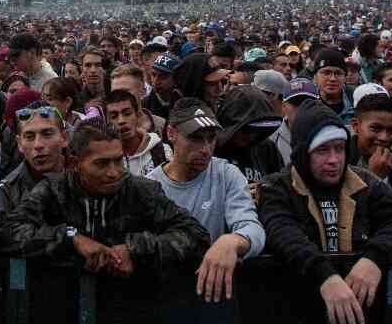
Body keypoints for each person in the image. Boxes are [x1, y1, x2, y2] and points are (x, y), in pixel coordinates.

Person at [257, 101, 392, 324]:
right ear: (303, 152)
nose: (334, 159)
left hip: (362, 318)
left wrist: (373, 259)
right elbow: (281, 230)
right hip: (295, 317)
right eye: (322, 150)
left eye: (339, 148)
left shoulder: (365, 183)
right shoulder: (277, 187)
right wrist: (324, 275)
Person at [0, 120, 209, 276]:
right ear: (74, 163)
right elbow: (9, 230)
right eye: (101, 164)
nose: (114, 172)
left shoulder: (141, 191)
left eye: (118, 161)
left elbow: (195, 235)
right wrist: (70, 239)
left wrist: (135, 250)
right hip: (65, 309)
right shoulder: (53, 190)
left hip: (135, 309)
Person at [147, 100, 264, 302]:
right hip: (164, 295)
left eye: (211, 139)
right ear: (171, 134)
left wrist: (233, 241)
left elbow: (252, 227)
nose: (206, 148)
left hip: (214, 296)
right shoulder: (150, 186)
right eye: (196, 138)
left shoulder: (226, 174)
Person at [0, 102, 68, 215]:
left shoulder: (85, 177)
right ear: (19, 144)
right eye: (29, 137)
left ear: (64, 138)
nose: (38, 145)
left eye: (47, 134)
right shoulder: (7, 192)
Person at [348, 91, 392, 199]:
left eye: (391, 130)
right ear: (356, 126)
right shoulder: (336, 160)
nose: (384, 137)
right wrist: (374, 178)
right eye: (375, 129)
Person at [215, 84, 284, 187]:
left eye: (257, 130)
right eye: (246, 130)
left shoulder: (266, 148)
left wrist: (264, 190)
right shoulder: (212, 148)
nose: (251, 136)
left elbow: (282, 184)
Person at [105, 88, 170, 176]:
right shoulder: (106, 158)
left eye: (127, 114)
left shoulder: (162, 151)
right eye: (114, 116)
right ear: (108, 122)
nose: (121, 121)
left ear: (137, 115)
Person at [272, 79, 319, 167]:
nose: (302, 108)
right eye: (296, 103)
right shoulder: (271, 139)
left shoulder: (328, 134)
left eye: (307, 102)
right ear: (283, 107)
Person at [311, 49, 353, 122]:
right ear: (315, 77)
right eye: (326, 73)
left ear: (345, 78)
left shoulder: (355, 101)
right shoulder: (307, 104)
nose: (332, 79)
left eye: (338, 73)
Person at [145, 52, 183, 120]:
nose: (156, 81)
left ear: (176, 78)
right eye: (153, 75)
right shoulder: (144, 106)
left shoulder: (184, 104)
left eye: (163, 77)